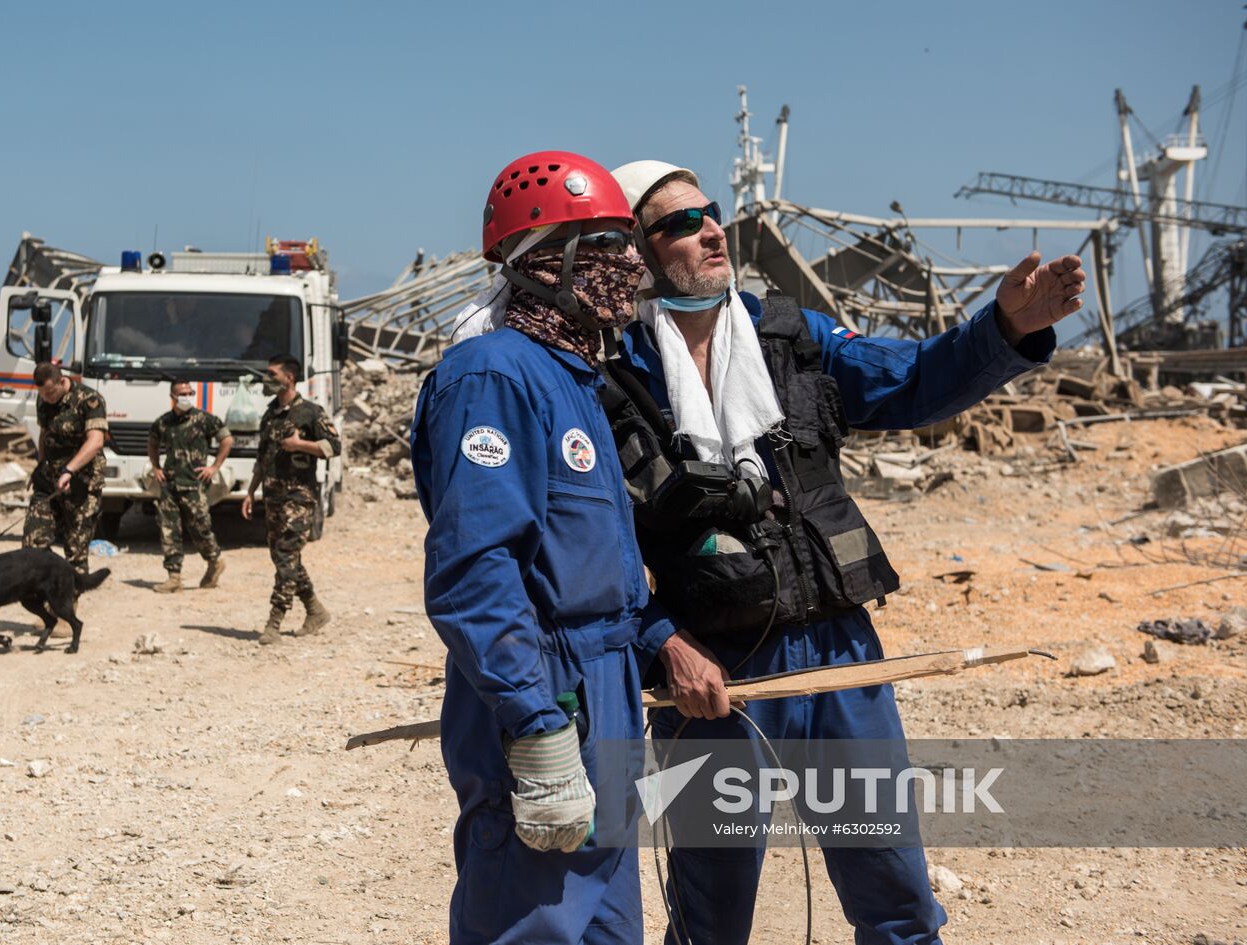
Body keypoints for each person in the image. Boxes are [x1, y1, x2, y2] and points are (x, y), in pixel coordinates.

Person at [607, 160, 1086, 945]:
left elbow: (911, 382)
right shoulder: (615, 380)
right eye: (681, 223)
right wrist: (663, 642)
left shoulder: (791, 339)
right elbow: (596, 547)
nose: (712, 230)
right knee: (710, 919)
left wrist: (1004, 330)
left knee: (897, 901)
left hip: (840, 656)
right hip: (716, 679)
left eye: (712, 213)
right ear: (639, 251)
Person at [412, 151, 677, 945]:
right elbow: (475, 571)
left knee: (606, 926)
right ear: (542, 264)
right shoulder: (493, 376)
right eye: (604, 244)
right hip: (552, 696)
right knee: (533, 923)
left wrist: (659, 642)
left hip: (607, 689)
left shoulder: (575, 379)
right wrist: (535, 723)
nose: (632, 262)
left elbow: (598, 568)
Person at [241, 354, 338, 644]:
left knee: (286, 555)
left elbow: (334, 446)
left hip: (299, 496)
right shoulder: (270, 414)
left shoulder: (310, 412)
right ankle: (315, 610)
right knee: (283, 557)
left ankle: (274, 622)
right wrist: (249, 492)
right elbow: (262, 458)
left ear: (289, 378)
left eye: (272, 374)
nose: (266, 379)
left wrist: (300, 445)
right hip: (273, 496)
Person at [147, 380, 233, 593]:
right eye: (182, 393)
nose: (186, 396)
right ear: (173, 397)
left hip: (195, 485)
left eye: (189, 392)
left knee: (200, 529)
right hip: (169, 484)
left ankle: (214, 562)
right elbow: (152, 443)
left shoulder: (204, 419)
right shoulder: (163, 422)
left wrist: (214, 466)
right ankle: (174, 577)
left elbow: (227, 440)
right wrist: (156, 467)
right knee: (169, 530)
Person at [23, 362, 108, 574]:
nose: (47, 398)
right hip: (49, 483)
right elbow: (45, 434)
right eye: (42, 394)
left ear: (62, 382)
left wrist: (69, 470)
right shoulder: (43, 401)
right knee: (32, 545)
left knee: (75, 552)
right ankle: (47, 588)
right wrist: (40, 466)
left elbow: (96, 441)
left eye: (51, 393)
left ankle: (69, 601)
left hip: (81, 484)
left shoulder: (89, 400)